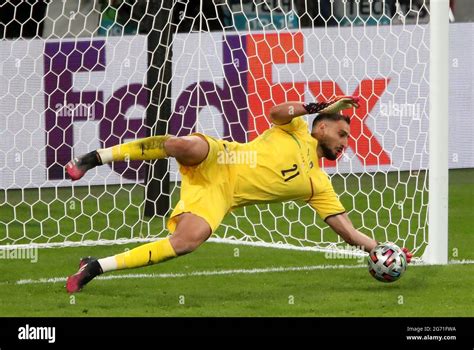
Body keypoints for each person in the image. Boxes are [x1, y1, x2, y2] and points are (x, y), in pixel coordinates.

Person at [65, 96, 412, 293]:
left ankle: (95, 266)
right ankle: (93, 158)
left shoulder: (318, 185)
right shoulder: (294, 131)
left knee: (187, 242)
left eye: (348, 138)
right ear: (321, 128)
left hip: (220, 194)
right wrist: (313, 104)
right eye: (342, 133)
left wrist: (384, 251)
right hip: (223, 155)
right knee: (180, 144)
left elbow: (348, 232)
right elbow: (275, 112)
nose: (345, 142)